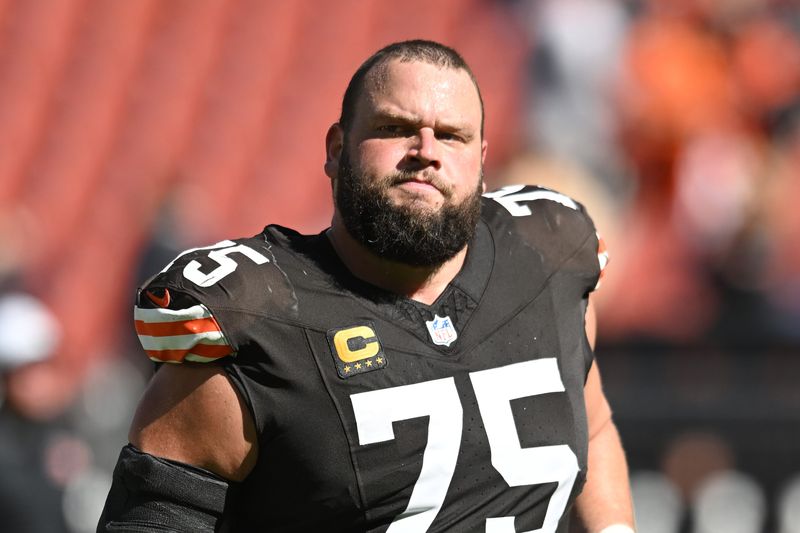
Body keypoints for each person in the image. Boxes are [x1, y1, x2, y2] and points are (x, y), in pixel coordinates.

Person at [98, 40, 635, 533]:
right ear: (337, 148)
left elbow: (592, 425)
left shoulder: (546, 258)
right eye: (396, 127)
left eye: (452, 135)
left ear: (481, 161)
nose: (426, 150)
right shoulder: (261, 320)